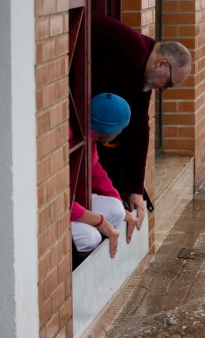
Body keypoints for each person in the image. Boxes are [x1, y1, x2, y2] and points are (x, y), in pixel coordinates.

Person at [91, 15, 192, 231]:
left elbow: (139, 126)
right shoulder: (130, 55)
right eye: (169, 83)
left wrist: (135, 187)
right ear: (162, 63)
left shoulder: (142, 62)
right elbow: (96, 115)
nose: (164, 89)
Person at [71, 93, 139, 258]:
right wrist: (99, 221)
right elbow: (58, 203)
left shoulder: (89, 138)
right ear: (112, 130)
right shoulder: (72, 141)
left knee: (116, 210)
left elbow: (97, 173)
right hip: (55, 211)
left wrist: (123, 209)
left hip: (72, 205)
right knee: (90, 237)